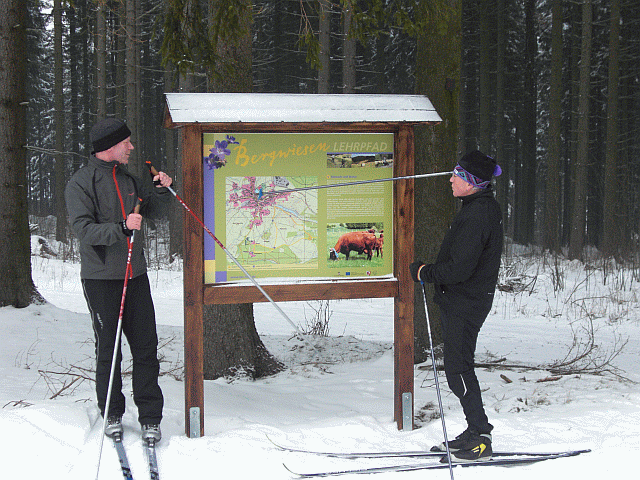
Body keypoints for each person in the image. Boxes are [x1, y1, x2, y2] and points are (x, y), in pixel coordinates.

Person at [65, 118, 173, 443]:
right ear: (111, 146)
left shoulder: (129, 179)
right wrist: (122, 228)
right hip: (101, 281)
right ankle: (112, 413)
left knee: (146, 348)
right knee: (109, 351)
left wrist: (159, 188)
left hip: (135, 277)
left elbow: (156, 211)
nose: (131, 147)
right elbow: (83, 230)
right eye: (126, 142)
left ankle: (150, 418)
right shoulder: (80, 184)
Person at [410, 150, 503, 462]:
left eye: (457, 175)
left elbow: (459, 268)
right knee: (458, 368)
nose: (451, 179)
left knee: (457, 370)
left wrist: (427, 273)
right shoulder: (478, 208)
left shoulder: (478, 214)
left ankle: (479, 437)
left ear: (472, 182)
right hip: (465, 300)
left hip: (467, 302)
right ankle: (477, 431)